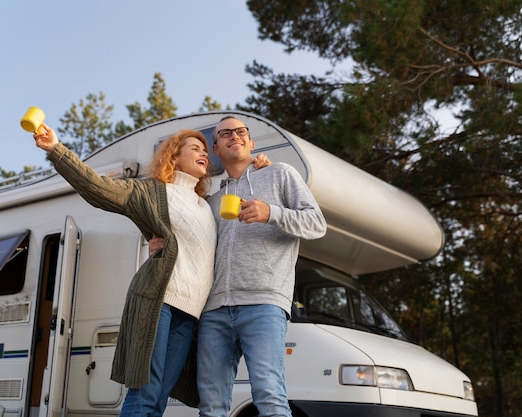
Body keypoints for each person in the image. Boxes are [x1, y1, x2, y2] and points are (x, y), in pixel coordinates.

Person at [31, 124, 269, 417]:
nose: (203, 154)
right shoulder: (153, 192)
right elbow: (98, 189)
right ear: (173, 156)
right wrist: (56, 149)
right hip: (160, 301)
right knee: (145, 392)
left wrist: (259, 168)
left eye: (205, 151)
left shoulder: (207, 205)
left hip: (190, 314)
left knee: (159, 397)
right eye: (194, 149)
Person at [150, 115, 327, 417]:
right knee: (212, 407)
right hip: (214, 312)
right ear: (216, 149)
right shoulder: (212, 200)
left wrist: (271, 211)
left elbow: (316, 224)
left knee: (270, 398)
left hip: (264, 303)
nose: (234, 136)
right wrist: (165, 244)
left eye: (241, 131)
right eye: (225, 133)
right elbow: (197, 246)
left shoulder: (279, 174)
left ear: (250, 142)